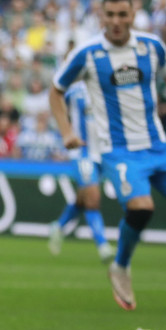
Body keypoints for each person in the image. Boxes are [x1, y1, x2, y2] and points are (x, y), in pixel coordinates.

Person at [50, 0, 166, 311]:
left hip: (159, 144)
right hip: (119, 151)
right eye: (110, 15)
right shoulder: (87, 53)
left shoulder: (151, 46)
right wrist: (66, 131)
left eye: (122, 14)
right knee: (141, 209)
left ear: (133, 14)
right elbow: (56, 90)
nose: (116, 22)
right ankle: (120, 266)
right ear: (102, 16)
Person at [47, 81, 114, 263]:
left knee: (83, 199)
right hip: (82, 152)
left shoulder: (106, 85)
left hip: (102, 153)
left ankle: (58, 226)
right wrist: (64, 134)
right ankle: (103, 245)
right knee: (92, 198)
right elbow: (56, 104)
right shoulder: (75, 91)